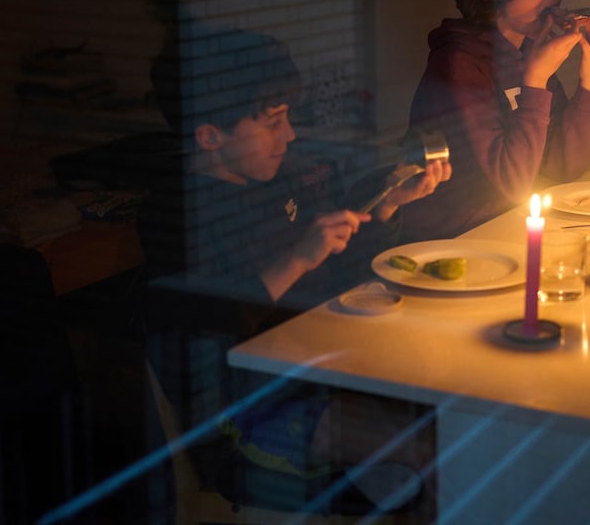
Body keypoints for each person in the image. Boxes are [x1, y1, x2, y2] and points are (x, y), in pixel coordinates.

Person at [138, 28, 450, 516]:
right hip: (249, 417)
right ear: (210, 136)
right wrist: (295, 260)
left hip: (324, 374)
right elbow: (206, 327)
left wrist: (387, 205)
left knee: (453, 420)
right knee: (433, 451)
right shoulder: (178, 216)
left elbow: (344, 276)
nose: (290, 135)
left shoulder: (281, 182)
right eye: (272, 123)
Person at [400, 0, 590, 240]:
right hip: (459, 248)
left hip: (508, 233)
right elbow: (512, 183)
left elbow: (564, 163)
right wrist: (536, 80)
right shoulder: (458, 63)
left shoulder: (524, 54)